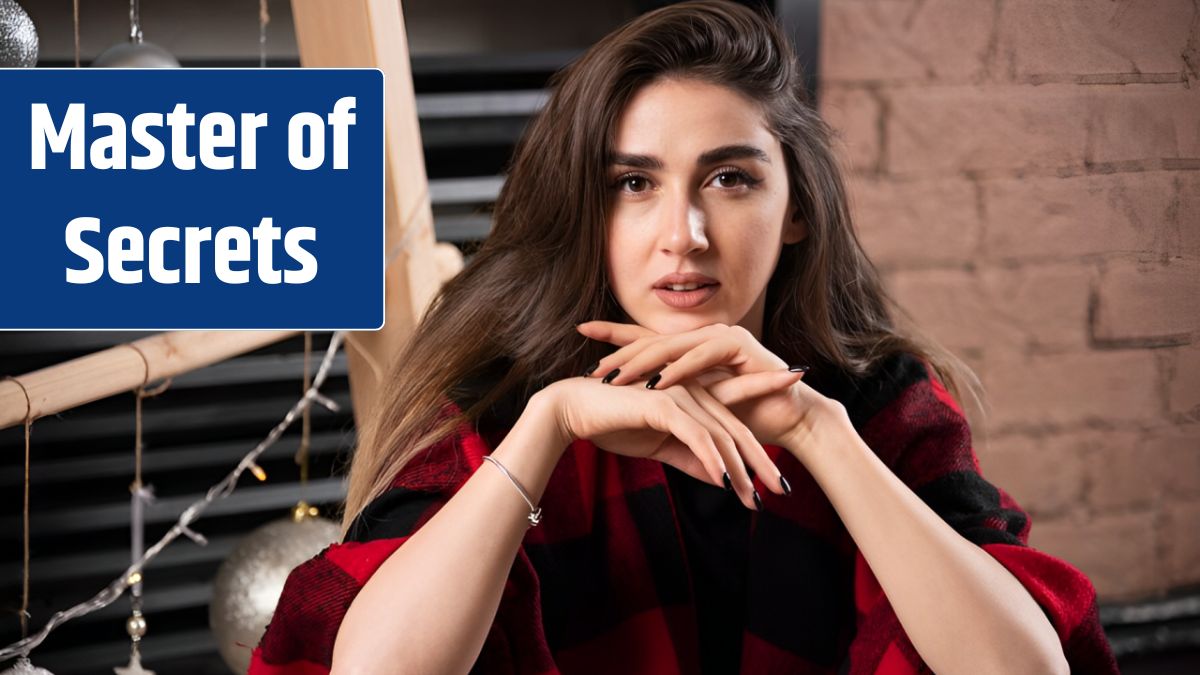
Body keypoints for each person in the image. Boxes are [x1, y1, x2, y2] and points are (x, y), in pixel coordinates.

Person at [249, 2, 1119, 673]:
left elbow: (1031, 662)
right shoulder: (502, 398)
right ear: (586, 211)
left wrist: (818, 433)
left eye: (731, 178)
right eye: (634, 183)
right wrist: (548, 426)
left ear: (798, 212)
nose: (685, 234)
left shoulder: (876, 396)